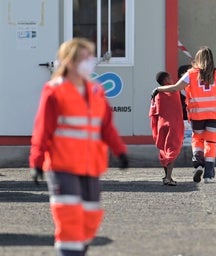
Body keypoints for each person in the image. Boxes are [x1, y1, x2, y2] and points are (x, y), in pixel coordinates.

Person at [29, 38, 129, 256]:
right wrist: (36, 161)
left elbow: (106, 126)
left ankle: (77, 248)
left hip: (90, 165)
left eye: (91, 57)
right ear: (70, 61)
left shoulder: (96, 91)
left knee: (91, 215)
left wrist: (119, 150)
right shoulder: (55, 90)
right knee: (69, 216)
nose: (90, 62)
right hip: (61, 166)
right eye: (85, 58)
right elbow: (42, 130)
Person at [152, 46, 216, 183]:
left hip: (197, 115)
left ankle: (198, 164)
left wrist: (158, 89)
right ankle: (208, 175)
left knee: (197, 140)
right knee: (211, 142)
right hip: (215, 115)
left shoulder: (190, 74)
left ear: (197, 59)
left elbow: (175, 88)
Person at [149, 71, 184, 186]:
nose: (172, 79)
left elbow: (153, 112)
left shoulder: (157, 95)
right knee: (172, 150)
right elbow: (175, 88)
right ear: (166, 80)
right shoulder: (173, 91)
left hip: (161, 124)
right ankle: (168, 178)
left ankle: (166, 176)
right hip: (173, 124)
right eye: (169, 77)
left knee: (164, 150)